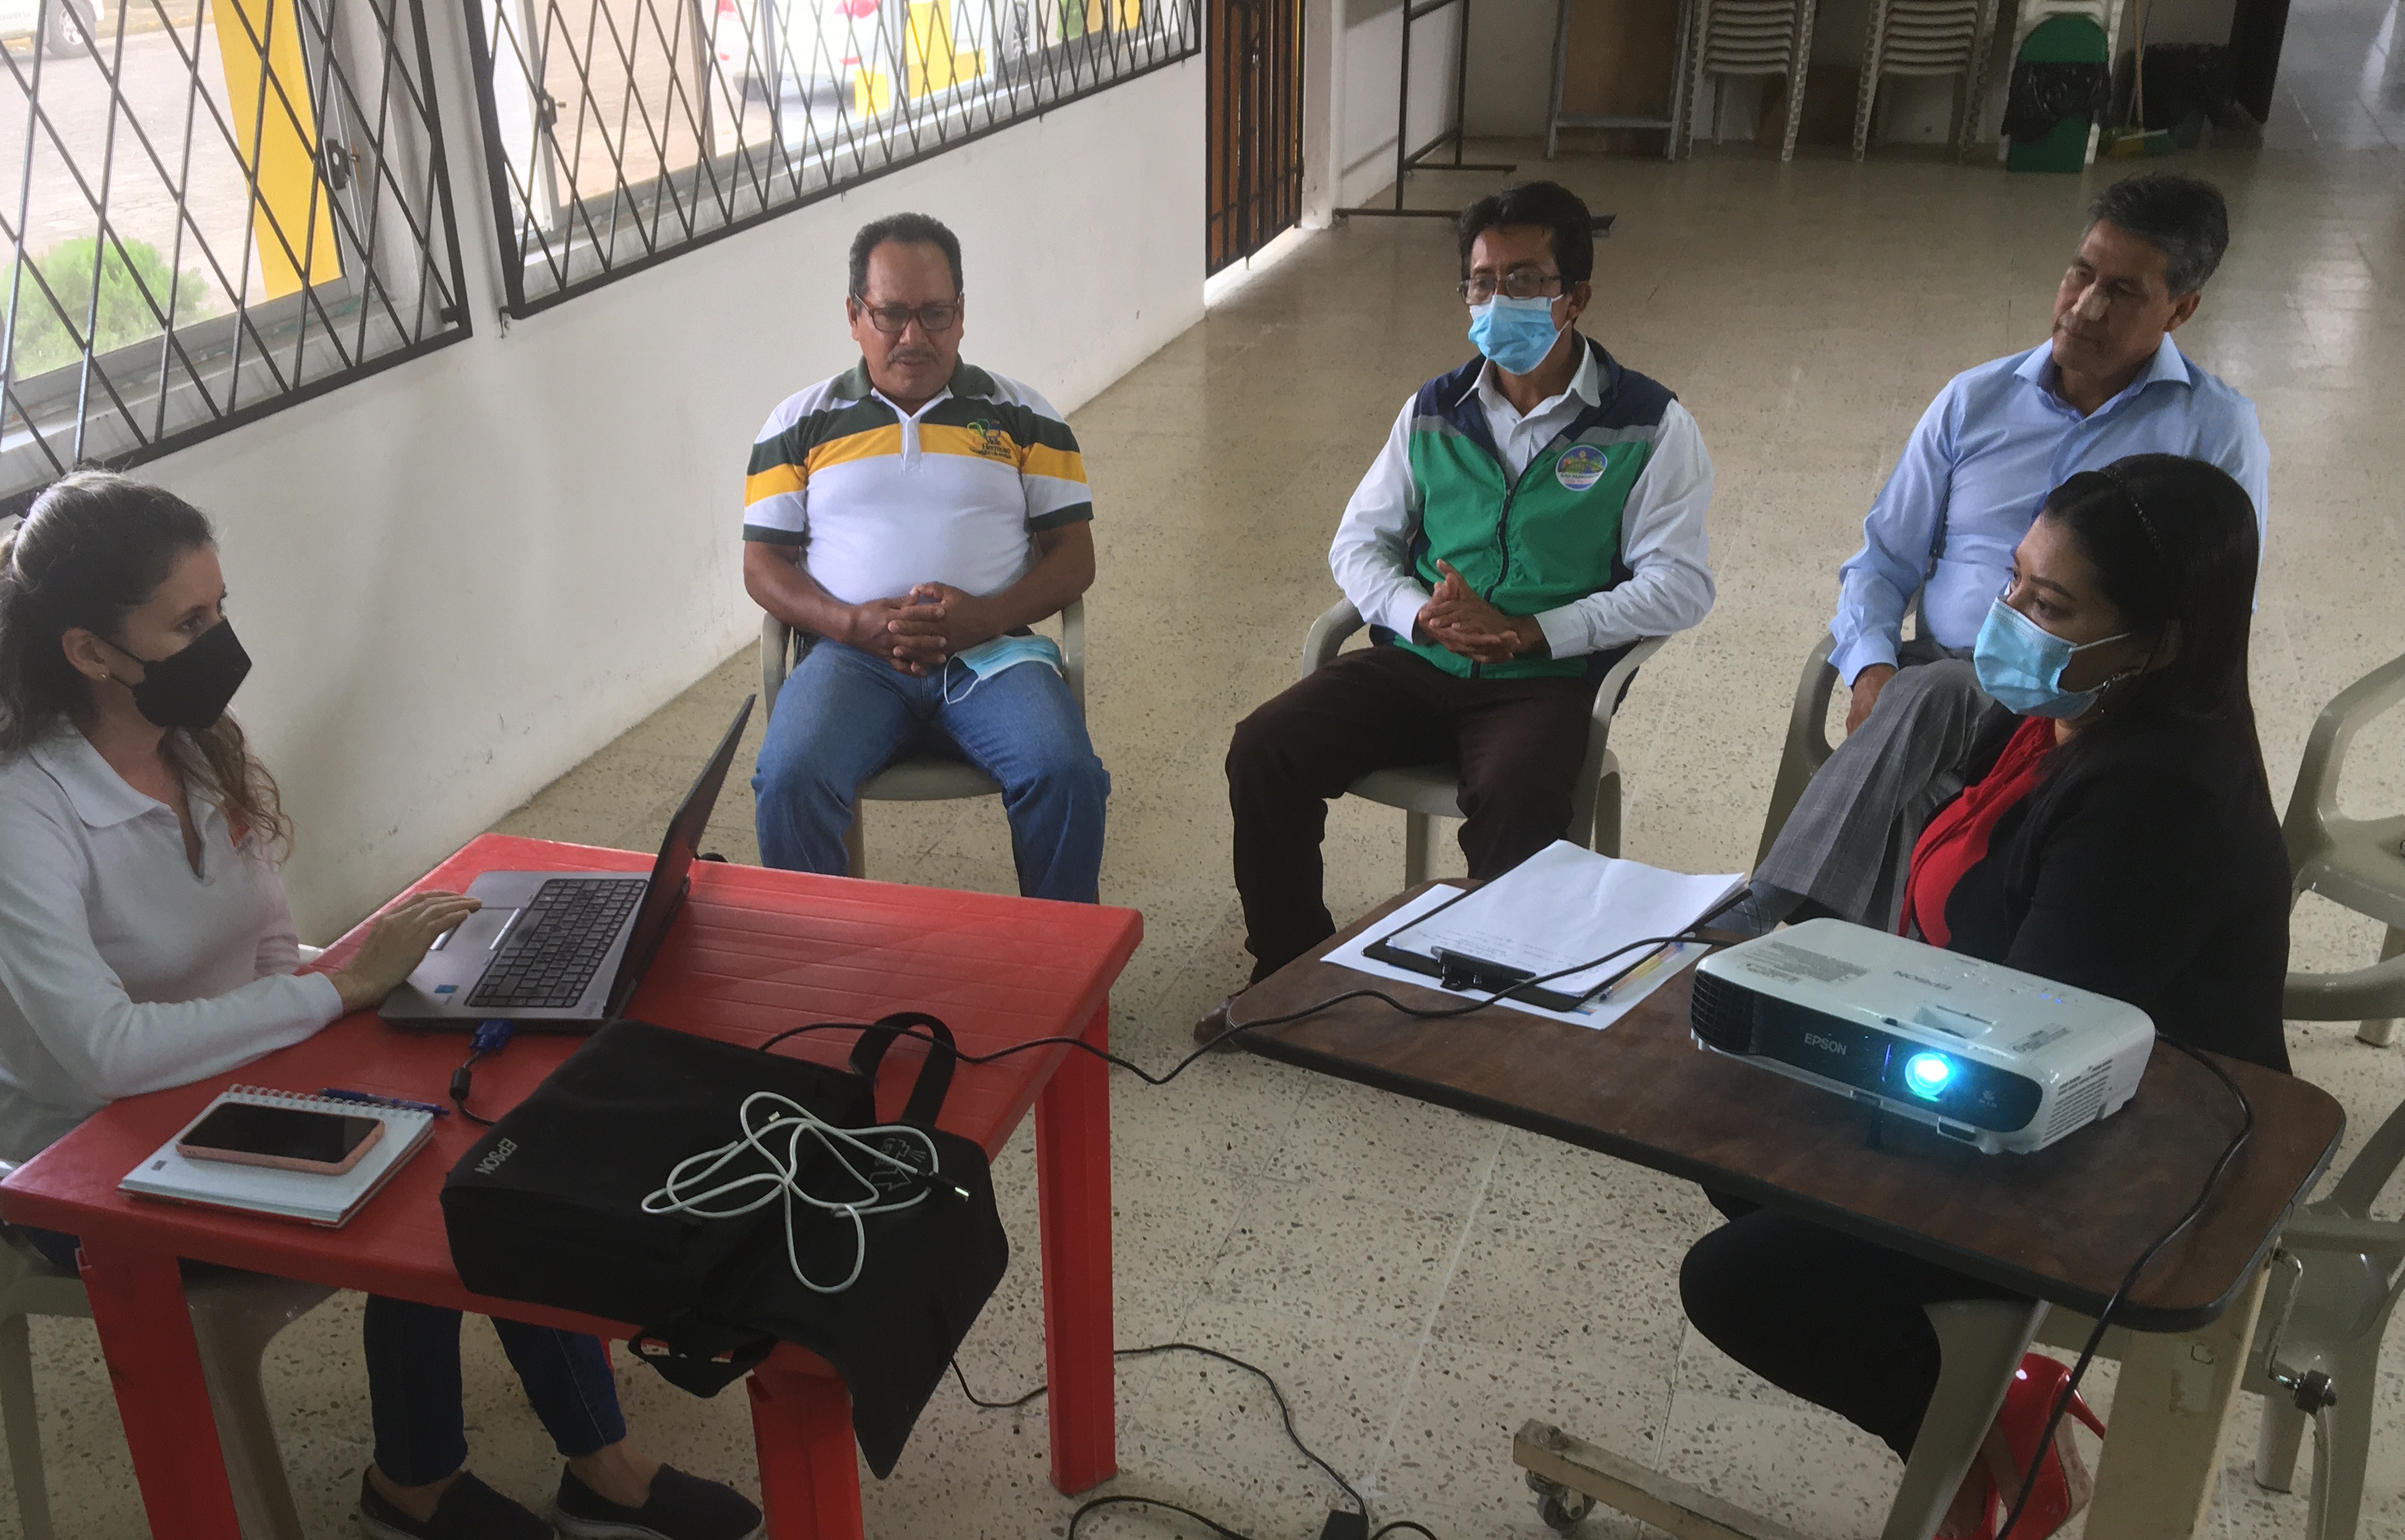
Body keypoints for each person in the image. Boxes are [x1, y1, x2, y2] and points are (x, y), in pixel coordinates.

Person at [0, 469, 762, 1540]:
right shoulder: (9, 814)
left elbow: (269, 950)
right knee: (436, 1180)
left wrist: (389, 989)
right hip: (97, 1167)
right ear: (90, 651)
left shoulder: (189, 744)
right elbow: (104, 1053)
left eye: (220, 607)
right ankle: (418, 1482)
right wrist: (346, 990)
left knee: (498, 1131)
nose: (222, 643)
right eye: (189, 623)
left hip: (226, 1087)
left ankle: (598, 1463)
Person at [1681, 454, 2287, 1540]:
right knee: (1738, 1134)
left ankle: (1979, 1438)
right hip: (2002, 1073)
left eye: (2049, 605)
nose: (2006, 618)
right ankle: (1986, 1391)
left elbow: (2028, 1047)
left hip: (2123, 1156)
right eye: (2013, 580)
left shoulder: (2154, 796)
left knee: (1739, 1282)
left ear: (2156, 642)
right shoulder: (2053, 715)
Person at [1204, 180, 1716, 1033]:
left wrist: (1533, 631)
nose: (1497, 300)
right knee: (1265, 748)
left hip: (1542, 680)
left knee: (1519, 796)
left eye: (1524, 281)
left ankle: (1485, 1007)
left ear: (1575, 297)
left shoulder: (1648, 425)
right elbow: (1357, 544)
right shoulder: (1433, 409)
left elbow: (1680, 584)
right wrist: (1419, 615)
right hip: (1419, 660)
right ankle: (1288, 972)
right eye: (1482, 282)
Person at [1742, 171, 2268, 935]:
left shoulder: (2213, 432)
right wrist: (1871, 667)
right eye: (2081, 274)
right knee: (1928, 716)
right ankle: (1843, 957)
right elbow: (1883, 561)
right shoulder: (1975, 400)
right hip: (1944, 674)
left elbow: (2215, 617)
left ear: (2180, 310)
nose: (2084, 308)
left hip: (2091, 701)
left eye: (2123, 292)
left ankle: (1769, 923)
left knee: (1928, 739)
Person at [742, 211, 1109, 901]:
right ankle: (820, 960)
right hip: (851, 660)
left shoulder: (1025, 415)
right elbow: (762, 564)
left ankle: (1062, 957)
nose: (914, 337)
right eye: (891, 315)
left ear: (961, 315)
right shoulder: (797, 424)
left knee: (1066, 775)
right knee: (789, 779)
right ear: (855, 316)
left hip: (994, 656)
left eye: (935, 314)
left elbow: (1074, 558)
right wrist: (852, 624)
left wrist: (984, 619)